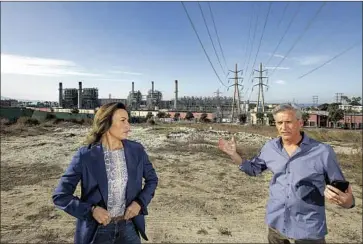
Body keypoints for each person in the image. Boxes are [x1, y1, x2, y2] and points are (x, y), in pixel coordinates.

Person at [218, 103, 355, 244]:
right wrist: (234, 155)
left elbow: (341, 190)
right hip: (277, 223)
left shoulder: (323, 152)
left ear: (300, 123)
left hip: (308, 228)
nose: (283, 127)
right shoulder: (270, 148)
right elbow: (253, 169)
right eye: (279, 123)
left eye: (288, 122)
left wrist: (348, 202)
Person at [52, 102, 158, 244]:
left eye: (128, 120)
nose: (128, 126)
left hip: (129, 227)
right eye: (123, 120)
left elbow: (152, 180)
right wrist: (91, 210)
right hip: (97, 232)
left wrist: (139, 203)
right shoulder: (85, 155)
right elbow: (60, 196)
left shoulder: (137, 150)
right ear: (106, 123)